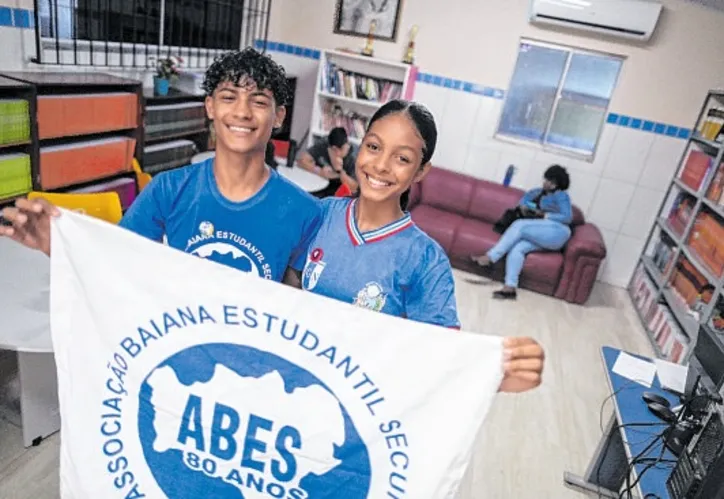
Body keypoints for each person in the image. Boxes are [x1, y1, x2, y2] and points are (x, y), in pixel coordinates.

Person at [0, 48, 321, 285]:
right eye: (228, 97)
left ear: (278, 117)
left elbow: (297, 304)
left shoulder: (305, 210)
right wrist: (61, 248)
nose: (242, 112)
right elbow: (118, 260)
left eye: (260, 101)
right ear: (209, 106)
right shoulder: (168, 189)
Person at [296, 99, 545, 393]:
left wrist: (495, 372)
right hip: (295, 383)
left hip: (357, 402)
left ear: (421, 171)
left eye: (402, 159)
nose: (380, 166)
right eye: (374, 147)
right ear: (359, 147)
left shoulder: (426, 260)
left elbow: (439, 353)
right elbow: (284, 294)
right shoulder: (321, 214)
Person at [471, 165, 573, 300]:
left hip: (557, 232)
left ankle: (490, 257)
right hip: (539, 231)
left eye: (550, 181)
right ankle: (510, 288)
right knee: (518, 248)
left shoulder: (561, 196)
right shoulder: (536, 192)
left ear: (556, 184)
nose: (546, 183)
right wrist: (524, 208)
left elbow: (567, 217)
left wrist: (544, 215)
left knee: (519, 225)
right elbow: (523, 202)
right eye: (546, 180)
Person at [298, 127, 359, 198]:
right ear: (329, 147)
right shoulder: (325, 143)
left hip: (343, 192)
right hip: (323, 184)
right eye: (334, 150)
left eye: (341, 149)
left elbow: (354, 188)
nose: (338, 153)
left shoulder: (355, 156)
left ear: (347, 144)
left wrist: (339, 171)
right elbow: (302, 160)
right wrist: (319, 171)